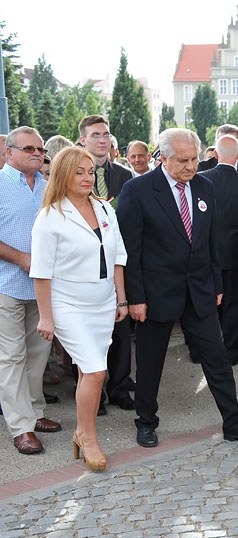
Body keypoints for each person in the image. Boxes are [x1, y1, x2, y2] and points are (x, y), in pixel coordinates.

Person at [116, 128, 238, 448]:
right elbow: (131, 251)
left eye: (194, 158)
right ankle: (146, 421)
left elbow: (210, 240)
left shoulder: (204, 187)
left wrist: (214, 282)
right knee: (150, 362)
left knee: (218, 359)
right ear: (163, 158)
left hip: (199, 290)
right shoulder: (138, 190)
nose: (190, 166)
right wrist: (135, 298)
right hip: (155, 294)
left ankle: (234, 421)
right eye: (182, 160)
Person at [30, 146, 128, 470]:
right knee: (97, 371)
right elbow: (41, 272)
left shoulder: (104, 209)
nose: (88, 178)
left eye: (91, 172)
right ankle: (88, 437)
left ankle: (81, 432)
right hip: (68, 303)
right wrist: (46, 315)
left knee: (91, 372)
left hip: (103, 302)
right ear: (62, 175)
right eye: (79, 172)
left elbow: (117, 257)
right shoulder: (50, 216)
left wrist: (121, 298)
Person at [0, 127, 62, 455]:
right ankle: (21, 427)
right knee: (11, 356)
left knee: (38, 354)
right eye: (29, 149)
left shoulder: (47, 186)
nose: (37, 153)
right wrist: (20, 257)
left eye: (40, 149)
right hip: (6, 284)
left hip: (42, 286)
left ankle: (35, 411)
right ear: (9, 153)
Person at [79, 115, 135, 413]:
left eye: (106, 134)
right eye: (96, 135)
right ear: (83, 140)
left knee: (121, 330)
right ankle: (95, 395)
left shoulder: (125, 176)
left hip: (118, 260)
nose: (102, 139)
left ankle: (120, 389)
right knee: (91, 335)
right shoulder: (74, 175)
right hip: (86, 265)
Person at [197, 135, 238, 365]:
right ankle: (231, 352)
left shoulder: (201, 180)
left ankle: (201, 352)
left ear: (215, 154)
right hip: (237, 253)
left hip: (204, 253)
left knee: (205, 304)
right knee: (234, 304)